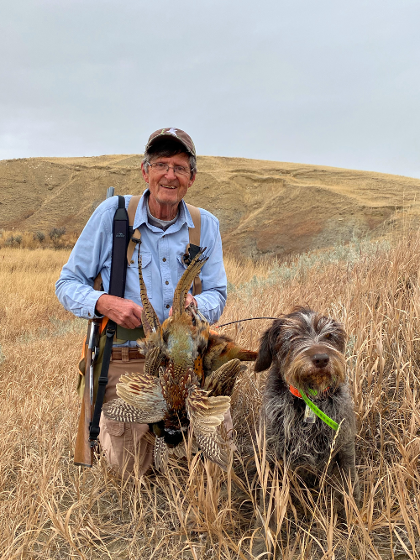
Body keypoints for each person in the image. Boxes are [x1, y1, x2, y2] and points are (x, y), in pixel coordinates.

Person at [56, 128, 227, 476]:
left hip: (185, 361)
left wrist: (197, 309)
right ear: (144, 171)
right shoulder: (112, 217)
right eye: (161, 165)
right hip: (128, 360)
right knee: (133, 472)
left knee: (211, 462)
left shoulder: (205, 225)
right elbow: (67, 284)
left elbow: (217, 293)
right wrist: (106, 303)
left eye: (180, 167)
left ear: (191, 178)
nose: (169, 175)